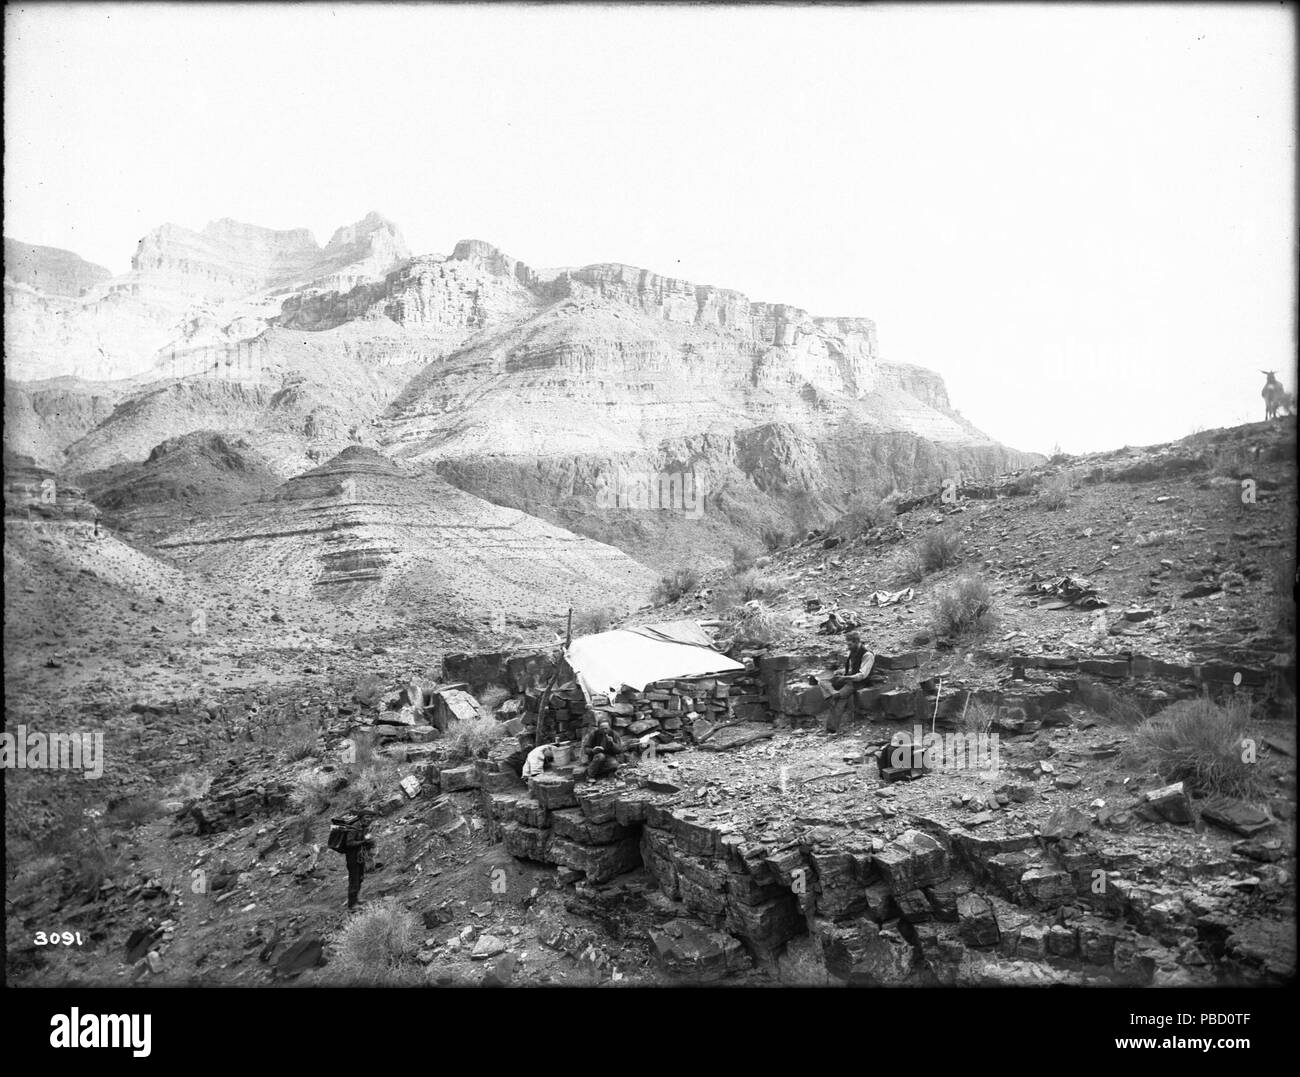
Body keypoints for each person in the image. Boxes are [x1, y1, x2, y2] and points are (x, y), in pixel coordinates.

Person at [825, 631, 875, 733]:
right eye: (847, 644)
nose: (848, 647)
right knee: (824, 682)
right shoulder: (853, 651)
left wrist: (846, 678)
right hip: (849, 678)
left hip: (859, 682)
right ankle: (831, 696)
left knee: (839, 697)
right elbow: (853, 668)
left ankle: (831, 729)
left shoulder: (867, 654)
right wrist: (842, 672)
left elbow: (862, 675)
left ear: (856, 642)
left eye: (850, 644)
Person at [342, 809, 376, 911]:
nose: (369, 819)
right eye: (367, 817)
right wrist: (363, 842)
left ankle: (356, 899)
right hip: (352, 857)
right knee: (354, 880)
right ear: (361, 818)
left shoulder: (364, 827)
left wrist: (369, 842)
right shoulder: (354, 828)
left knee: (360, 878)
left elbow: (363, 841)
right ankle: (352, 905)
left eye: (370, 817)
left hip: (359, 856)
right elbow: (349, 843)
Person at [580, 716, 622, 782]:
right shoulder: (594, 734)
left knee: (614, 764)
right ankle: (590, 775)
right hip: (596, 757)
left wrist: (612, 743)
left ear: (609, 727)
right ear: (598, 728)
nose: (604, 731)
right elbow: (586, 749)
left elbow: (619, 750)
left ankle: (602, 773)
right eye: (602, 729)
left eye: (606, 728)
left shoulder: (614, 734)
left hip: (609, 757)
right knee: (601, 756)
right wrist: (592, 750)